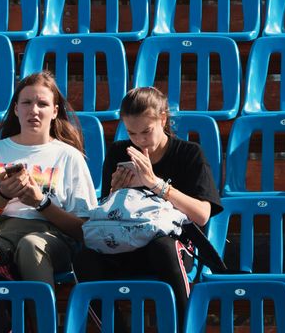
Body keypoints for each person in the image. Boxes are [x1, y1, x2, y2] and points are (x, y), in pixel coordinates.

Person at [72, 87, 223, 319]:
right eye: (132, 133)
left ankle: (185, 326)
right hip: (126, 241)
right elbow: (109, 210)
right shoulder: (119, 152)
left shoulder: (189, 153)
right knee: (85, 259)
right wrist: (115, 192)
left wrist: (156, 185)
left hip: (171, 245)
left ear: (163, 119)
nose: (140, 140)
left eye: (146, 131)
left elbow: (202, 214)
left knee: (162, 247)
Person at [0, 72, 97, 286]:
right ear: (16, 109)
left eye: (43, 104)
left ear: (55, 111)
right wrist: (2, 196)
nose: (34, 110)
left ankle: (42, 320)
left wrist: (41, 203)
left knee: (31, 246)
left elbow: (84, 230)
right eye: (27, 102)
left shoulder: (69, 156)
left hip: (50, 238)